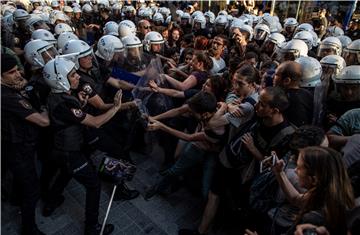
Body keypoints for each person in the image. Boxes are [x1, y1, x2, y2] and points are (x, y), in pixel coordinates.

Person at [42, 57, 120, 235]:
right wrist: (115, 108)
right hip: (69, 151)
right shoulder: (64, 102)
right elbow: (95, 122)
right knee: (93, 184)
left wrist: (82, 103)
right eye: (72, 75)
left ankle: (51, 202)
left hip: (61, 149)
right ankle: (92, 227)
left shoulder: (59, 95)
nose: (77, 77)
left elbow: (70, 116)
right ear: (60, 79)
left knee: (65, 173)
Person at [1, 54, 49, 235]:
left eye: (17, 69)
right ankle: (29, 228)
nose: (17, 74)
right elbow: (43, 122)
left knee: (20, 181)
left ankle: (15, 199)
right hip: (18, 148)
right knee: (32, 189)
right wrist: (45, 109)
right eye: (11, 72)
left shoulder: (8, 89)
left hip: (15, 145)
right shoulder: (7, 97)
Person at [272, 146, 355, 235]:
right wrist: (279, 172)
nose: (295, 170)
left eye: (299, 168)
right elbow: (296, 199)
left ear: (314, 180)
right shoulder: (332, 195)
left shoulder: (313, 221)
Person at [273, 61, 314, 127]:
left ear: (287, 81)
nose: (273, 77)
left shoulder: (286, 99)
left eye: (276, 75)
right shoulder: (306, 93)